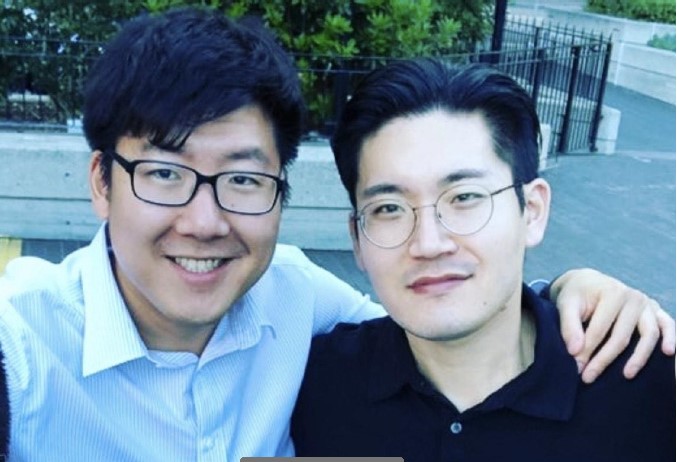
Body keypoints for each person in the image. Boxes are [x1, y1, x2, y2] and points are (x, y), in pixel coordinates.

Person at [0, 7, 672, 461]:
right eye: (165, 174)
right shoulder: (21, 352)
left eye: (243, 179)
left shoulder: (300, 303)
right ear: (101, 181)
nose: (203, 223)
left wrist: (565, 292)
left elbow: (445, 307)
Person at [291, 59, 676, 461]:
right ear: (357, 238)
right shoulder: (313, 384)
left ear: (532, 212)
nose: (429, 243)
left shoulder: (647, 387)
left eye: (464, 197)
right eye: (389, 208)